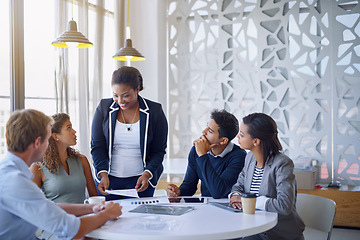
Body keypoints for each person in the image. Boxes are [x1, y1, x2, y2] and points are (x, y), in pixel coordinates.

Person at [0, 109, 122, 239]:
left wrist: (91, 208)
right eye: (47, 140)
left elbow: (50, 207)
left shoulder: (10, 172)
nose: (48, 146)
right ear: (37, 143)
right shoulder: (15, 181)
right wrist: (107, 214)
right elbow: (69, 229)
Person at [91, 66, 168, 200]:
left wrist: (147, 174)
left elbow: (159, 150)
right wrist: (102, 173)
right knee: (109, 220)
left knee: (140, 220)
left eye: (125, 95)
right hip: (109, 180)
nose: (120, 101)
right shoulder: (104, 108)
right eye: (115, 95)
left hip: (141, 181)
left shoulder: (154, 111)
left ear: (137, 89)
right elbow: (97, 146)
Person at [229, 113, 305, 240]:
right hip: (253, 229)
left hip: (278, 233)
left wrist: (250, 202)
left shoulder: (283, 164)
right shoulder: (249, 158)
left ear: (256, 141)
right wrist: (235, 195)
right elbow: (239, 185)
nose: (237, 136)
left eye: (242, 134)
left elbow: (284, 205)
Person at [166, 109, 246, 199]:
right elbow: (189, 185)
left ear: (223, 140)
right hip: (206, 206)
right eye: (206, 126)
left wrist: (202, 155)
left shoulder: (239, 156)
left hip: (228, 206)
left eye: (210, 131)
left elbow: (218, 192)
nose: (204, 132)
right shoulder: (196, 151)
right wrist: (179, 191)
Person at [30, 113, 98, 204]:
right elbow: (32, 205)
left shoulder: (82, 160)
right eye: (68, 128)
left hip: (84, 217)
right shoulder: (37, 167)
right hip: (56, 217)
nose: (74, 131)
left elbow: (95, 198)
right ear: (55, 136)